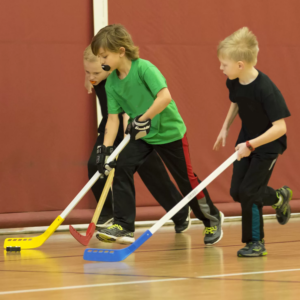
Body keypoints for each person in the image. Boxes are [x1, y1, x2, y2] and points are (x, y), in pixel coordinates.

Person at [91, 24, 223, 245]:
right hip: (143, 136)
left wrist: (142, 118)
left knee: (186, 180)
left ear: (121, 51)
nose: (101, 61)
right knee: (121, 166)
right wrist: (104, 150)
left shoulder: (144, 68)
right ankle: (123, 226)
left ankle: (211, 219)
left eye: (104, 55)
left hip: (169, 132)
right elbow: (113, 119)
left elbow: (164, 97)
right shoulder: (111, 82)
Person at [83, 45, 191, 233]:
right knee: (95, 164)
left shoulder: (119, 80)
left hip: (132, 131)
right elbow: (110, 115)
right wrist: (89, 78)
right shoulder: (98, 77)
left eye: (95, 72)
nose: (92, 76)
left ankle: (180, 212)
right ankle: (108, 213)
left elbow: (126, 112)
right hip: (110, 130)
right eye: (87, 71)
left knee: (154, 175)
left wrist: (130, 137)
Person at [213, 27, 292, 257]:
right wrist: (225, 127)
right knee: (237, 191)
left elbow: (280, 128)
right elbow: (236, 102)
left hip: (267, 146)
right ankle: (279, 198)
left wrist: (251, 145)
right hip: (247, 139)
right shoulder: (235, 81)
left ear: (240, 64)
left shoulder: (266, 89)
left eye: (224, 64)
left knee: (249, 191)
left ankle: (256, 242)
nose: (221, 68)